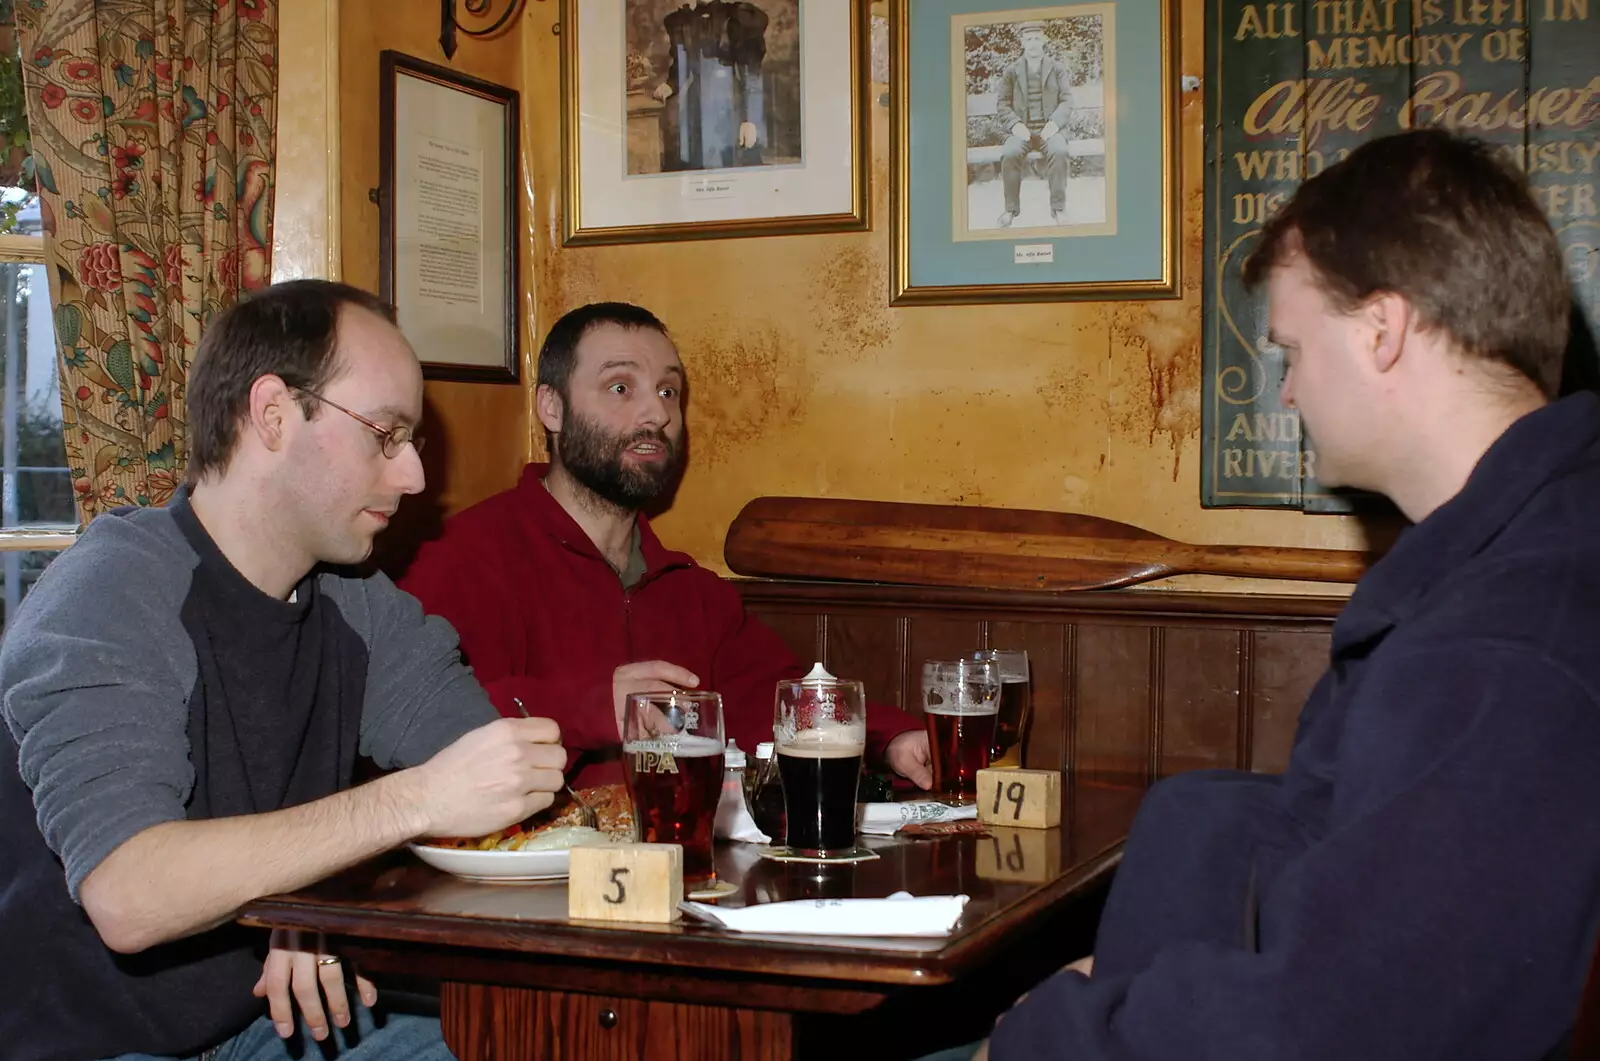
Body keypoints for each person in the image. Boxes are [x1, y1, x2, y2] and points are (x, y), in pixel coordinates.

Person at [949, 129, 1600, 1059]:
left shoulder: (1500, 647)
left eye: (1293, 347)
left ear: (1383, 330)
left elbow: (1345, 1026)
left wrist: (1050, 1034)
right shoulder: (1528, 554)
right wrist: (1124, 975)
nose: (1287, 391)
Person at [0, 280, 568, 1061]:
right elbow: (129, 894)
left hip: (250, 1026)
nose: (413, 479)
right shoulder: (110, 593)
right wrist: (407, 805)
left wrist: (318, 899)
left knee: (520, 1039)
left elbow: (506, 791)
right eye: (384, 434)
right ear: (272, 414)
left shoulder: (356, 601)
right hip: (82, 1042)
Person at [398, 302, 933, 790]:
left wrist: (891, 740)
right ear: (551, 409)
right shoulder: (463, 558)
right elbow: (422, 721)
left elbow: (772, 699)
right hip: (507, 883)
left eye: (668, 391)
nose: (655, 414)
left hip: (681, 871)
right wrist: (591, 707)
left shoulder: (690, 591)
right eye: (620, 388)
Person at [653, 0, 770, 171]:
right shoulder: (684, 20)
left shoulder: (735, 18)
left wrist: (750, 119)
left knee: (729, 164)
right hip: (696, 102)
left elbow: (751, 74)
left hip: (728, 102)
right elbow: (682, 64)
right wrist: (671, 84)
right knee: (697, 165)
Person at [994, 20, 1073, 228]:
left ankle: (1058, 208)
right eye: (1028, 39)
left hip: (1049, 130)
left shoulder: (1057, 69)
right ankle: (1010, 209)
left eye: (1037, 38)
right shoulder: (1011, 71)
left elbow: (1067, 100)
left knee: (1060, 150)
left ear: (1043, 40)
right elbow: (1002, 104)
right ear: (1022, 42)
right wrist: (1015, 125)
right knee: (1010, 152)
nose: (1033, 43)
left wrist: (1054, 124)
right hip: (1022, 130)